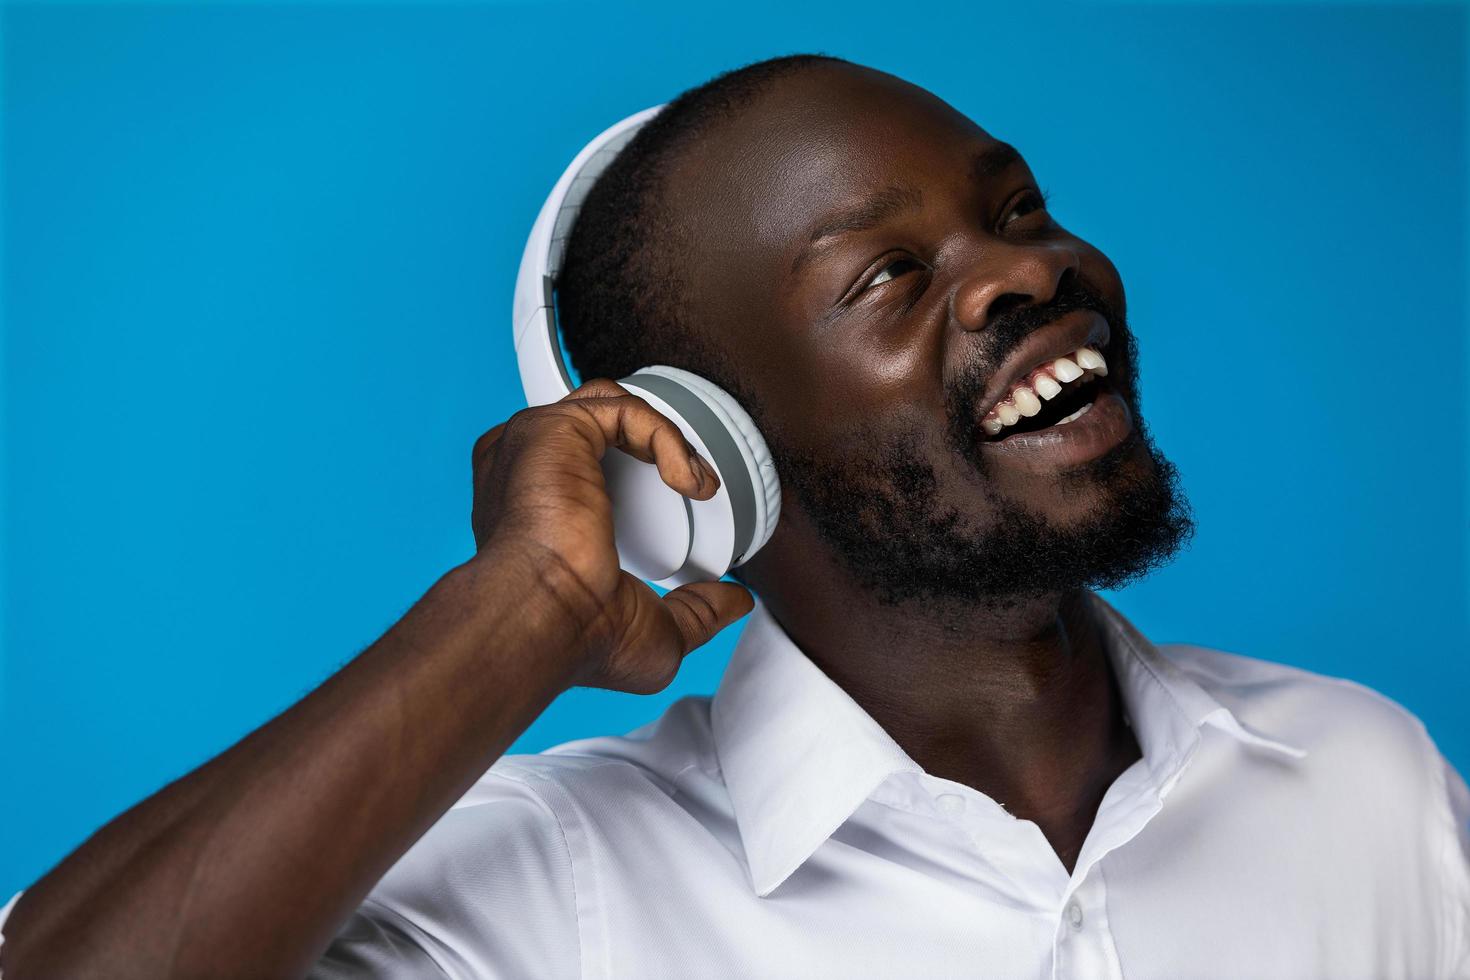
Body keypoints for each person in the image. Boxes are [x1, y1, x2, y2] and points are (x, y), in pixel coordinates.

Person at [1, 53, 1466, 980]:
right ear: (703, 456)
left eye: (1013, 209)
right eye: (883, 278)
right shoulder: (553, 897)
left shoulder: (1361, 776)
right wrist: (521, 613)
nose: (1026, 273)